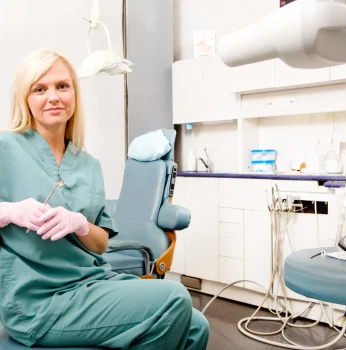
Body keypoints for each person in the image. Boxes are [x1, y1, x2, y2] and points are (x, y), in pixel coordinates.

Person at [0, 49, 209, 349]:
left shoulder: (88, 164)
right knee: (175, 297)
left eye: (62, 86)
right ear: (26, 98)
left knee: (196, 326)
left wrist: (79, 224)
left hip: (92, 283)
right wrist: (9, 211)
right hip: (41, 300)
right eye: (40, 89)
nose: (53, 97)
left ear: (74, 93)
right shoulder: (5, 146)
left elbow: (100, 243)